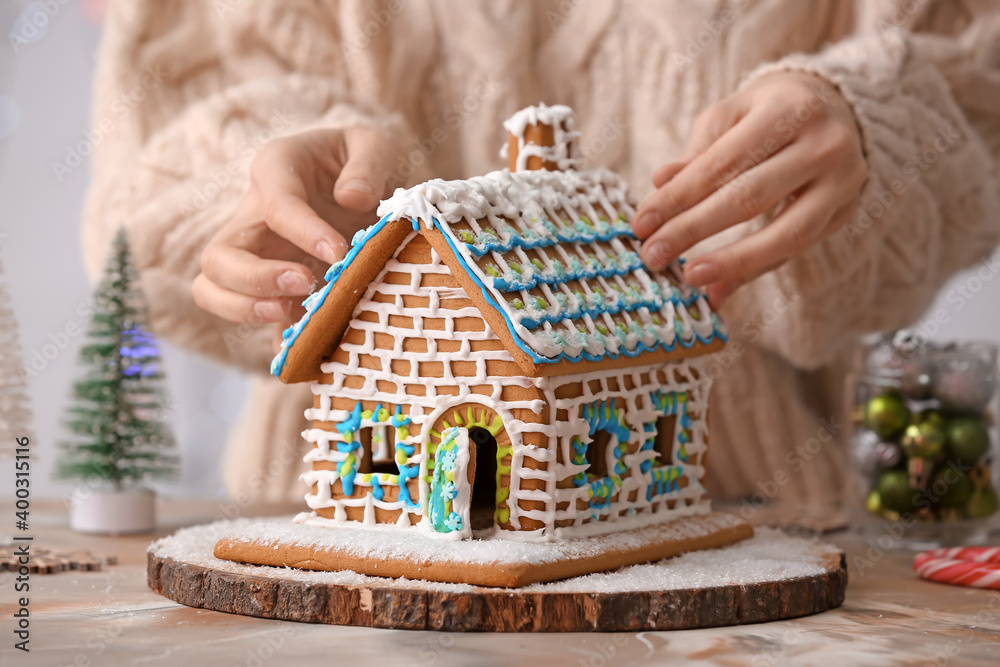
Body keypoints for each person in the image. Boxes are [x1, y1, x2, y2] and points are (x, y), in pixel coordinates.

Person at [83, 1, 1000, 506]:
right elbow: (153, 159)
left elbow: (977, 90)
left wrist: (874, 115)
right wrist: (269, 174)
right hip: (335, 564)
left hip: (748, 518)